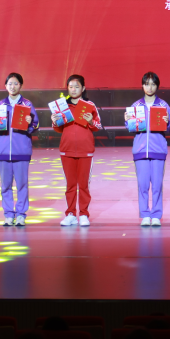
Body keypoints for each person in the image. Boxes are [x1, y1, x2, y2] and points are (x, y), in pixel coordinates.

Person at [0, 72, 39, 227]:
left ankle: (21, 214)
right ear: (5, 86)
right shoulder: (0, 105)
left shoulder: (27, 105)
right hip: (3, 151)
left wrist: (30, 122)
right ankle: (9, 214)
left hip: (21, 151)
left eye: (16, 83)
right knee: (5, 186)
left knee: (22, 185)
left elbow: (35, 126)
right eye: (10, 83)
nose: (13, 86)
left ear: (20, 85)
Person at [125, 72, 170, 227]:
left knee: (157, 185)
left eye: (153, 84)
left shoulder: (163, 105)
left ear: (157, 86)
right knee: (143, 185)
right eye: (147, 84)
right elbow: (130, 127)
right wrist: (127, 120)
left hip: (158, 150)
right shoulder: (135, 106)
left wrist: (167, 122)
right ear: (142, 86)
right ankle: (145, 214)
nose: (150, 87)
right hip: (140, 151)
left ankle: (156, 215)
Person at [56, 74, 101, 227]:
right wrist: (55, 121)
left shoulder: (90, 105)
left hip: (85, 150)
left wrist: (90, 121)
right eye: (71, 87)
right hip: (66, 150)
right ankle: (70, 214)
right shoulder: (62, 106)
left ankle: (83, 214)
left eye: (77, 86)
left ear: (83, 88)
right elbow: (59, 128)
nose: (73, 89)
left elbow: (98, 126)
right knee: (70, 185)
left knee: (83, 185)